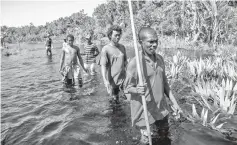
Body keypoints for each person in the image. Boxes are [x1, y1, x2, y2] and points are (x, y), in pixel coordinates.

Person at [123, 27, 182, 144]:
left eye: (156, 41)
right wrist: (136, 89)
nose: (154, 45)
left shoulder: (160, 59)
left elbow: (165, 84)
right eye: (150, 42)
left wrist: (175, 104)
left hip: (161, 108)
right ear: (141, 43)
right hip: (144, 109)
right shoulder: (135, 63)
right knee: (145, 139)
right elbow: (126, 88)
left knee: (164, 134)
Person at [99, 25, 127, 103]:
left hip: (123, 80)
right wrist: (105, 81)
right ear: (110, 36)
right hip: (113, 82)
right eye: (115, 35)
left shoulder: (122, 47)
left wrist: (129, 76)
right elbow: (103, 66)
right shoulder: (106, 49)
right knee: (115, 104)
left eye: (119, 35)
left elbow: (125, 63)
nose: (118, 37)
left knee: (127, 100)